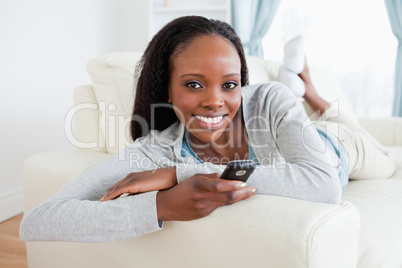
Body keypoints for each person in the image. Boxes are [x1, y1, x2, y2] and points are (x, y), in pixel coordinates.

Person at [19, 16, 392, 243]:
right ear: (167, 86)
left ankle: (308, 91)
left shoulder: (266, 100)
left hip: (343, 151)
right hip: (298, 136)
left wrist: (179, 173)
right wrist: (161, 204)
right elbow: (38, 221)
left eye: (229, 85)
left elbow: (324, 185)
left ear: (241, 85)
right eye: (194, 84)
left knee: (357, 135)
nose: (215, 101)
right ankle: (304, 90)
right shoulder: (156, 149)